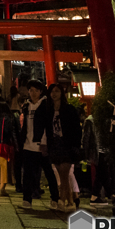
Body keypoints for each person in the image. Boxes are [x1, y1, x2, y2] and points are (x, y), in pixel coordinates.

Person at [34, 82, 81, 212]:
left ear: (62, 93)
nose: (54, 94)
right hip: (54, 143)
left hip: (67, 144)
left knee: (64, 173)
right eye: (52, 91)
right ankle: (70, 202)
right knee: (61, 174)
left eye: (57, 91)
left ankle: (61, 200)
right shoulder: (47, 110)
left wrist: (76, 144)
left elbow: (76, 128)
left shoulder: (69, 109)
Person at [19, 79, 59, 209]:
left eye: (36, 90)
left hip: (41, 144)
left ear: (41, 92)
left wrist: (45, 142)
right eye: (31, 90)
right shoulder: (27, 106)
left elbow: (48, 126)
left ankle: (54, 199)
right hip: (27, 144)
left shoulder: (45, 105)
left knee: (48, 172)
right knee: (27, 174)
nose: (33, 93)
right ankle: (27, 200)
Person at [0, 101, 17, 196]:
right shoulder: (8, 118)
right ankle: (2, 188)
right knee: (4, 166)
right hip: (3, 144)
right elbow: (9, 131)